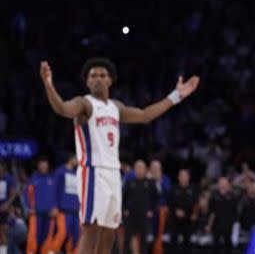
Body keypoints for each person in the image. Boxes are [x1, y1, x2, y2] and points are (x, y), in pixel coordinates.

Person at [39, 57, 199, 254]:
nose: (97, 79)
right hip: (93, 172)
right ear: (87, 82)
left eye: (102, 75)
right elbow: (62, 109)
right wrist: (48, 85)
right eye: (93, 76)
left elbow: (145, 115)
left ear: (110, 80)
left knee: (109, 232)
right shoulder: (84, 104)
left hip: (113, 174)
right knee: (91, 230)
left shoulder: (116, 107)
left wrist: (176, 96)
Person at [122, 160, 158, 254]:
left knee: (144, 240)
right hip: (131, 215)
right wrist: (125, 209)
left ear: (145, 170)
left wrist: (152, 210)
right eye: (137, 168)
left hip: (144, 215)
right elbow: (123, 197)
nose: (139, 170)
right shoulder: (129, 182)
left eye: (141, 168)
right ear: (134, 170)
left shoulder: (150, 183)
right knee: (128, 238)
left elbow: (156, 198)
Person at [25, 157, 58, 254]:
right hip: (36, 213)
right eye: (41, 164)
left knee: (47, 236)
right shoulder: (33, 178)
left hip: (49, 213)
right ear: (38, 166)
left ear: (47, 166)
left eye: (45, 164)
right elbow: (27, 194)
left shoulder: (52, 178)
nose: (43, 166)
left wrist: (55, 207)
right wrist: (29, 207)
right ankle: (30, 252)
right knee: (33, 236)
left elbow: (56, 194)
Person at [51, 154, 80, 254]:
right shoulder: (60, 171)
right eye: (77, 158)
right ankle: (52, 251)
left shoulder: (78, 172)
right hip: (63, 210)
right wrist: (54, 206)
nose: (79, 161)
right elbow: (54, 189)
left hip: (76, 210)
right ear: (71, 159)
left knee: (76, 236)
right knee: (62, 233)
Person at [167, 169, 196, 254]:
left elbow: (196, 204)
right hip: (175, 220)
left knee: (187, 243)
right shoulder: (173, 189)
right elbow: (169, 203)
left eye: (185, 176)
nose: (183, 178)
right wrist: (175, 211)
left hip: (188, 220)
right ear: (178, 177)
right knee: (173, 242)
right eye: (181, 176)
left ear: (188, 177)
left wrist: (193, 214)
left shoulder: (193, 189)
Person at [0, 162, 17, 254]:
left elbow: (13, 193)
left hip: (4, 209)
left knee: (3, 232)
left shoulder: (9, 178)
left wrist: (7, 204)